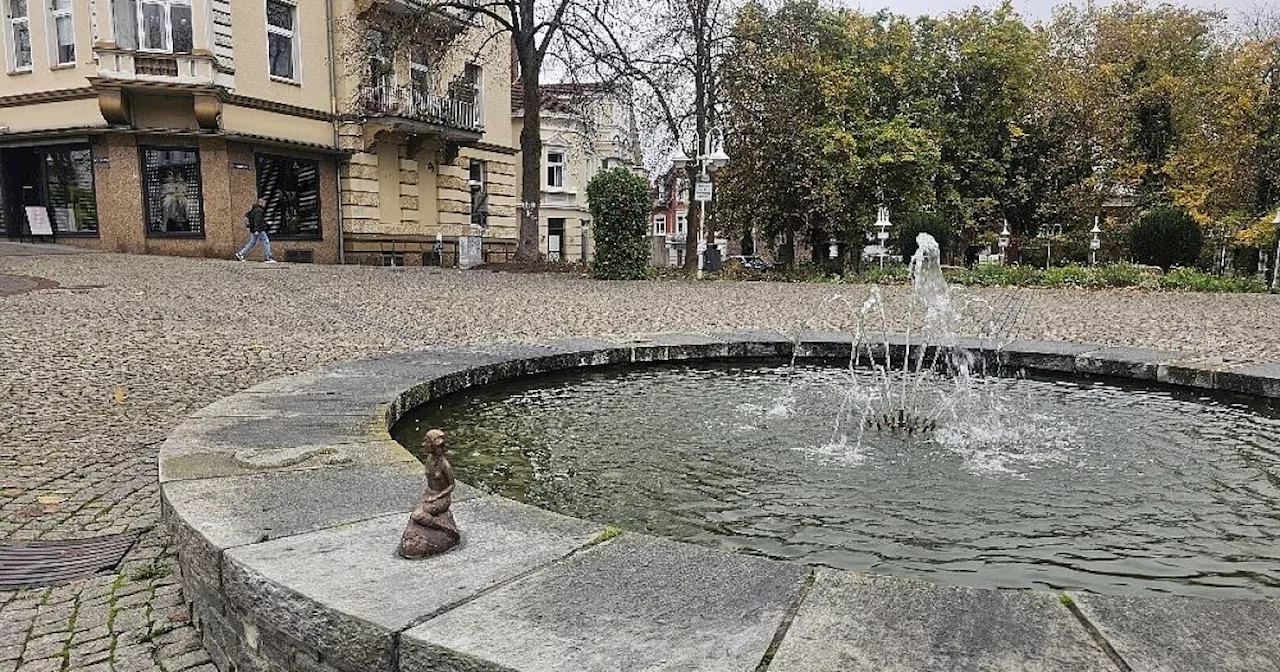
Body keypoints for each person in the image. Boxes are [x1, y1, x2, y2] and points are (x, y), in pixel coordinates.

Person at [399, 429, 462, 558]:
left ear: (435, 445)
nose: (423, 445)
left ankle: (446, 528)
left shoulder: (445, 465)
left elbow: (452, 485)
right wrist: (428, 495)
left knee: (418, 514)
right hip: (428, 494)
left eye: (427, 442)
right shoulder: (429, 459)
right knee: (415, 512)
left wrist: (437, 496)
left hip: (441, 497)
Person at [235, 197, 275, 263]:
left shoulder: (253, 210)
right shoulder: (259, 210)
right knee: (266, 241)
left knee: (252, 243)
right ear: (261, 203)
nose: (265, 204)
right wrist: (257, 230)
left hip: (253, 229)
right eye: (264, 203)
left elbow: (254, 219)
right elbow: (257, 221)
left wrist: (264, 223)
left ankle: (240, 254)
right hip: (259, 230)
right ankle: (269, 257)